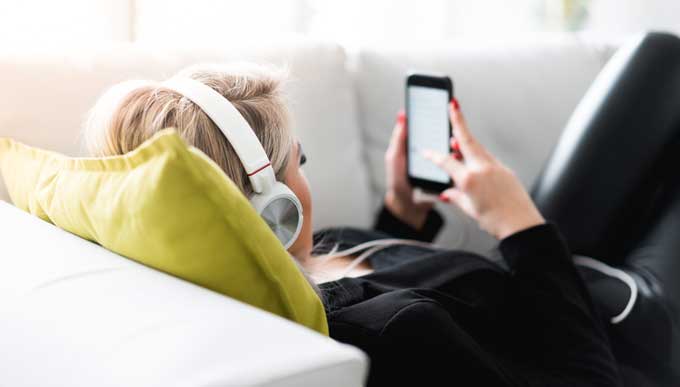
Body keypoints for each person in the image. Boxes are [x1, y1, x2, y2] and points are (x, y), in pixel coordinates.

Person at [83, 35, 679, 386]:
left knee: (660, 56)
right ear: (274, 214)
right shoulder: (397, 335)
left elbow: (390, 270)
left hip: (552, 274)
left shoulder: (297, 262)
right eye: (300, 161)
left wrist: (401, 212)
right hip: (627, 320)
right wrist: (517, 223)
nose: (305, 174)